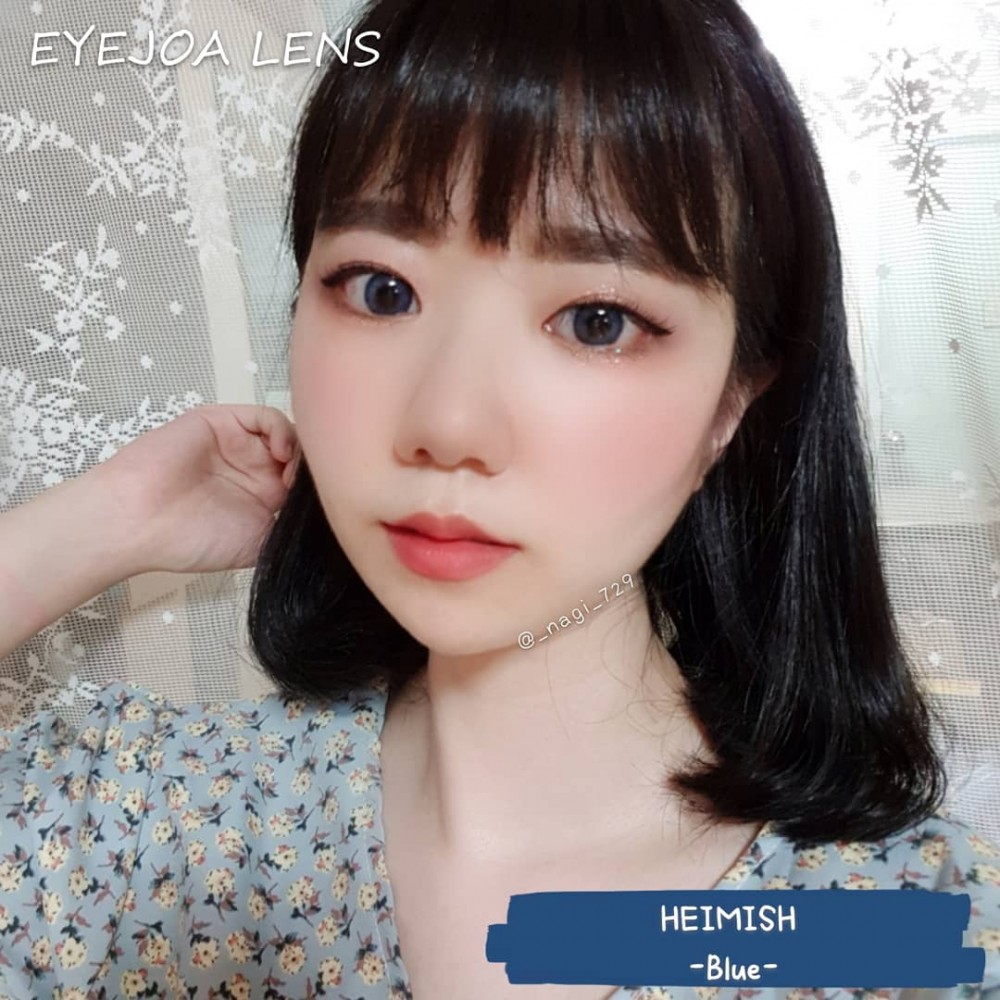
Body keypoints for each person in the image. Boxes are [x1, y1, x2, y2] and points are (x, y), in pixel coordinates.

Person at [0, 0, 998, 996]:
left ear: (732, 401)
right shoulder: (167, 819)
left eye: (597, 319)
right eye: (380, 289)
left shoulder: (896, 929)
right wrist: (110, 517)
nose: (448, 423)